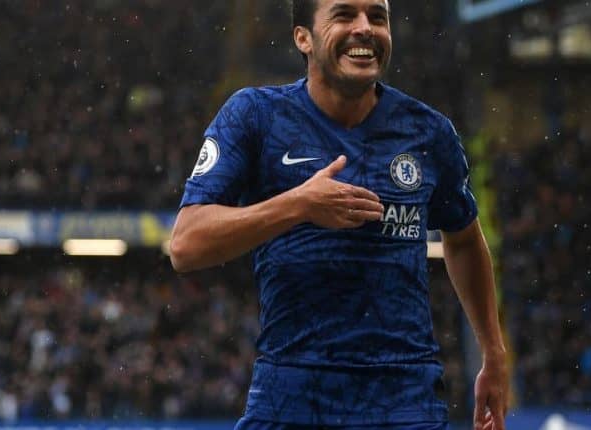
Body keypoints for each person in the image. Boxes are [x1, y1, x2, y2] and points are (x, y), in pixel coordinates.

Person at [169, 0, 508, 428]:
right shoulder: (255, 116)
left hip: (404, 403)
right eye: (344, 15)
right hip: (291, 399)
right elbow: (186, 244)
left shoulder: (428, 132)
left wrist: (493, 353)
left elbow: (463, 238)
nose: (365, 28)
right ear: (303, 38)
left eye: (378, 17)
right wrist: (299, 205)